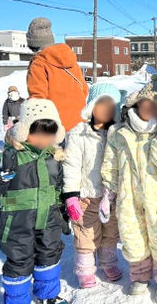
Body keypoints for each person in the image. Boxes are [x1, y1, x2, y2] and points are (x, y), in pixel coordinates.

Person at [0, 99, 68, 304]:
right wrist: (0, 176)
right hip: (16, 223)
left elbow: (59, 187)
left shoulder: (55, 158)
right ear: (24, 131)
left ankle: (47, 296)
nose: (43, 138)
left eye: (49, 133)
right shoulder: (11, 156)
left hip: (49, 219)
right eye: (37, 132)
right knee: (19, 261)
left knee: (49, 254)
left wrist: (63, 210)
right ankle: (17, 300)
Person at [101, 78, 157, 303]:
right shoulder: (119, 133)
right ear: (137, 102)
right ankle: (140, 275)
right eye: (147, 102)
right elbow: (110, 164)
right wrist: (108, 193)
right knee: (132, 237)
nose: (150, 108)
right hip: (128, 198)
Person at [62, 83, 122, 288]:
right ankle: (86, 269)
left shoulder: (117, 134)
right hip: (86, 195)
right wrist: (71, 195)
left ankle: (108, 262)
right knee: (85, 233)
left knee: (110, 232)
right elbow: (71, 165)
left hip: (111, 195)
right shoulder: (79, 133)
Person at [26, 17, 88, 132]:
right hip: (80, 124)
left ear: (32, 43)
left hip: (56, 128)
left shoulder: (39, 64)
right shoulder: (72, 61)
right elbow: (84, 89)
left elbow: (38, 101)